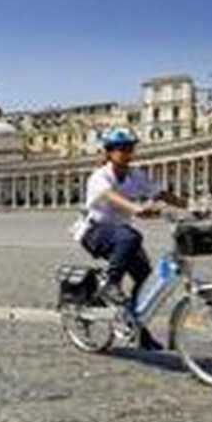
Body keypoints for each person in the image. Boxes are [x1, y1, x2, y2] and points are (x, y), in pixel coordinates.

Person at [78, 127, 187, 351]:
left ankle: (140, 331)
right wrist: (136, 208)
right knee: (132, 236)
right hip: (95, 231)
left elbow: (160, 193)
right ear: (109, 152)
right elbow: (111, 196)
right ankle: (111, 283)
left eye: (130, 148)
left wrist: (190, 206)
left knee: (145, 281)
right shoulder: (100, 176)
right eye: (122, 149)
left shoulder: (136, 175)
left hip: (120, 235)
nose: (128, 153)